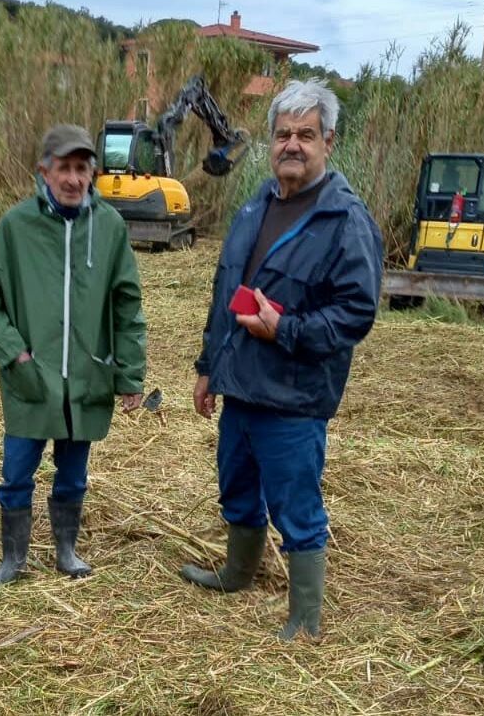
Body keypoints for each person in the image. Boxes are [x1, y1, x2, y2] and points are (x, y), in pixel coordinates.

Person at [180, 80, 383, 640]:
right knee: (236, 486)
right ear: (271, 141)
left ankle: (305, 616)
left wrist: (285, 329)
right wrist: (206, 367)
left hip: (294, 396)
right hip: (240, 386)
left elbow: (355, 314)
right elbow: (226, 292)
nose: (292, 144)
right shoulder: (255, 206)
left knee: (296, 505)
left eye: (306, 135)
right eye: (283, 134)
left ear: (329, 142)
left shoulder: (345, 221)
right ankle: (237, 572)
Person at [0, 124, 147, 585]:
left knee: (73, 474)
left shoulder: (109, 228)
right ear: (43, 171)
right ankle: (14, 558)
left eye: (81, 169)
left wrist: (129, 374)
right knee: (16, 473)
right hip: (32, 377)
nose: (73, 179)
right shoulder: (16, 227)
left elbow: (127, 304)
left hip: (86, 378)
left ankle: (67, 550)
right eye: (63, 168)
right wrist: (15, 354)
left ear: (92, 173)